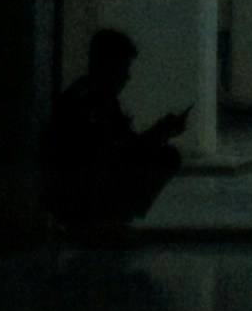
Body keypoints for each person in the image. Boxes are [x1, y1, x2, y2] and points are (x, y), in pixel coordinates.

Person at [41, 26, 188, 237]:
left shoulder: (98, 97)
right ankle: (99, 218)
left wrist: (158, 133)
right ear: (106, 66)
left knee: (165, 157)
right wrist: (158, 134)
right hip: (78, 188)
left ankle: (107, 217)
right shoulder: (88, 101)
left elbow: (123, 145)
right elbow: (112, 152)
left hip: (85, 179)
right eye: (122, 68)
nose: (127, 77)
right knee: (162, 159)